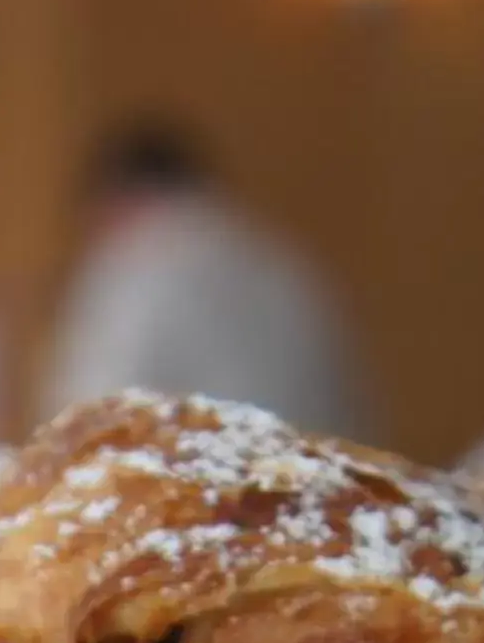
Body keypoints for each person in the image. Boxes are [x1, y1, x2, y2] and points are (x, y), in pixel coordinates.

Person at [41, 123, 371, 436]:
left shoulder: (135, 262)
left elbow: (90, 411)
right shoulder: (282, 262)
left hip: (184, 487)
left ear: (113, 199)